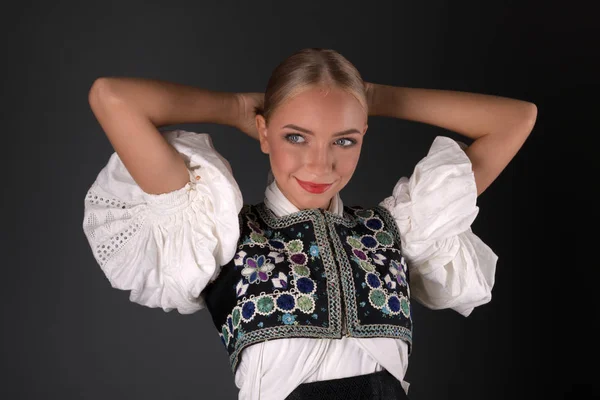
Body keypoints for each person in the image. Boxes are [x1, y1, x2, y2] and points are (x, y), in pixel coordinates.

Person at [82, 48, 537, 400]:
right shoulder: (220, 230)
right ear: (264, 133)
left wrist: (371, 97)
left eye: (345, 139)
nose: (320, 164)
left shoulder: (396, 227)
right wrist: (237, 106)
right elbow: (113, 97)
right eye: (295, 136)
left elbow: (516, 118)